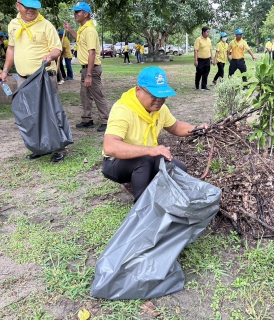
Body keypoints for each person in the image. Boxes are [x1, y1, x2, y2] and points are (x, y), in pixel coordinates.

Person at [102, 67, 208, 202]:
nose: (159, 100)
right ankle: (143, 207)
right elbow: (110, 147)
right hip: (115, 163)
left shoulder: (160, 109)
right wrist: (150, 150)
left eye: (163, 95)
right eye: (154, 95)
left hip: (146, 157)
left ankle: (168, 197)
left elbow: (174, 126)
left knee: (179, 169)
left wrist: (197, 129)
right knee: (144, 160)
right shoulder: (123, 109)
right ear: (139, 91)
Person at [0, 0, 64, 163]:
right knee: (29, 115)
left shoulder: (46, 25)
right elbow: (11, 49)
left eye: (34, 7)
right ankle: (38, 147)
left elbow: (57, 48)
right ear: (17, 6)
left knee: (50, 113)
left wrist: (50, 56)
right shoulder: (13, 24)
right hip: (23, 78)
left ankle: (58, 148)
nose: (31, 10)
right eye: (27, 6)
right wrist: (5, 71)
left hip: (43, 76)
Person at [63, 2, 110, 133]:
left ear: (86, 14)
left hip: (92, 69)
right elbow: (80, 40)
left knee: (97, 95)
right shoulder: (83, 29)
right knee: (85, 95)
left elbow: (92, 53)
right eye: (74, 12)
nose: (75, 14)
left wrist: (89, 74)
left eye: (78, 12)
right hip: (86, 69)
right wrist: (69, 29)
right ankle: (87, 119)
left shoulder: (89, 30)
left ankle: (107, 121)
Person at [193, 26, 212, 91]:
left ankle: (204, 86)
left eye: (209, 32)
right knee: (199, 72)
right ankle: (197, 84)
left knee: (206, 73)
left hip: (207, 59)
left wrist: (211, 58)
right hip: (200, 59)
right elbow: (196, 50)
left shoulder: (209, 40)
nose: (208, 33)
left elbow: (210, 49)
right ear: (203, 32)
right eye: (207, 32)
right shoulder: (198, 39)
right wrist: (196, 60)